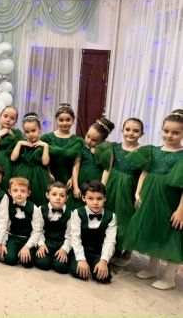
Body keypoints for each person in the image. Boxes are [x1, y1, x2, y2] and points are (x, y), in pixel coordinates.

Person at [124, 110, 183, 290]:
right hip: (151, 197)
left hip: (172, 200)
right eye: (166, 131)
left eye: (175, 132)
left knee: (171, 235)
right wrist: (138, 194)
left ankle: (169, 277)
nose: (169, 135)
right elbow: (144, 172)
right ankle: (152, 269)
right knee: (153, 230)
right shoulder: (153, 151)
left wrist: (180, 211)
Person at [96, 118, 143, 267]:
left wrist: (138, 194)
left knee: (126, 219)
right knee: (111, 217)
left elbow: (144, 174)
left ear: (142, 134)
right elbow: (107, 169)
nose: (131, 133)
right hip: (112, 185)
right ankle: (114, 249)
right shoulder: (114, 148)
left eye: (136, 131)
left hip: (130, 188)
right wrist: (102, 188)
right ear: (122, 131)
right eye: (128, 129)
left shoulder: (143, 151)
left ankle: (127, 251)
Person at [69, 180, 116, 284]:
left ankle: (96, 265)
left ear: (105, 198)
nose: (95, 202)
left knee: (103, 277)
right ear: (83, 198)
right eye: (90, 198)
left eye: (99, 198)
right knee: (78, 272)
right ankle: (81, 262)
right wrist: (81, 259)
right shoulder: (77, 213)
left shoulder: (111, 216)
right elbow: (75, 238)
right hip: (82, 249)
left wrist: (104, 260)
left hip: (98, 252)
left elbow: (110, 241)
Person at [40, 103, 85, 203]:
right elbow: (43, 159)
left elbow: (77, 163)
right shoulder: (46, 138)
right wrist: (48, 173)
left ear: (73, 120)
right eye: (61, 120)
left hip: (69, 179)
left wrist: (72, 179)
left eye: (68, 120)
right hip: (50, 176)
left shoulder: (78, 141)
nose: (64, 123)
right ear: (56, 120)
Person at [70, 117, 114, 210]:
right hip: (81, 181)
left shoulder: (107, 149)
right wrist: (75, 187)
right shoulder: (81, 146)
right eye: (88, 136)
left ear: (102, 140)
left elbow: (107, 169)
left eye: (94, 140)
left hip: (97, 181)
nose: (89, 141)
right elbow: (76, 167)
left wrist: (101, 189)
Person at [10, 113, 51, 206]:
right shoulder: (21, 143)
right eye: (27, 132)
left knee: (37, 198)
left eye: (33, 131)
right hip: (22, 172)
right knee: (21, 195)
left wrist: (45, 146)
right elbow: (13, 158)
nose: (30, 134)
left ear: (40, 129)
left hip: (39, 174)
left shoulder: (44, 145)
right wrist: (20, 143)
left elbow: (45, 162)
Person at [1, 177, 41, 268]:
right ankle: (15, 254)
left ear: (28, 193)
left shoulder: (34, 208)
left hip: (27, 238)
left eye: (23, 191)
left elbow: (36, 231)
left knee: (28, 262)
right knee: (9, 259)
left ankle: (23, 253)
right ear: (10, 192)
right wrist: (3, 243)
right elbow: (5, 227)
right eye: (15, 190)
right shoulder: (7, 206)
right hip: (13, 237)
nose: (19, 194)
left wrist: (27, 246)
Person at [0, 106, 24, 192]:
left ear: (15, 121)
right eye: (5, 116)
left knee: (6, 184)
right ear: (0, 117)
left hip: (9, 163)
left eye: (12, 118)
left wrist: (12, 136)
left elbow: (20, 151)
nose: (8, 120)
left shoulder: (17, 133)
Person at [35, 181, 72, 274]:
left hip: (60, 244)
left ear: (66, 198)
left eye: (62, 196)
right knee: (42, 264)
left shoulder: (71, 214)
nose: (58, 198)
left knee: (61, 267)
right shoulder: (40, 210)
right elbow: (38, 230)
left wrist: (64, 249)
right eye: (54, 194)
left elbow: (70, 235)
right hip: (46, 242)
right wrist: (41, 244)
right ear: (47, 195)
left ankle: (58, 259)